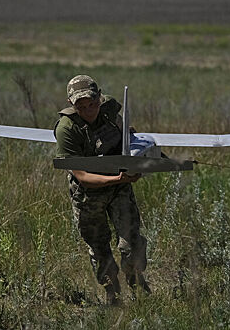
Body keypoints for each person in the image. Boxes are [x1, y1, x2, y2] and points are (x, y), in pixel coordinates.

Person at [54, 75, 151, 305]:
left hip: (119, 188)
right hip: (88, 196)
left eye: (92, 103)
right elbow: (83, 177)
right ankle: (112, 294)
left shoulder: (107, 109)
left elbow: (121, 127)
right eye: (81, 106)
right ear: (70, 103)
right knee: (99, 249)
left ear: (100, 97)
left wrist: (130, 142)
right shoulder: (66, 129)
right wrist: (119, 178)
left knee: (131, 243)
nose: (88, 110)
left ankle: (137, 284)